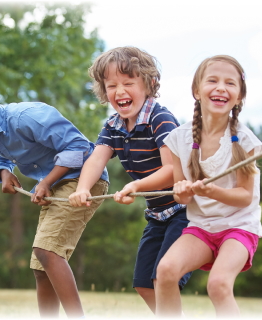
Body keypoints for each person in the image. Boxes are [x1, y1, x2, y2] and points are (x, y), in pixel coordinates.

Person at [0, 81, 109, 318]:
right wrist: (4, 173)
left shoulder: (26, 117)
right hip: (56, 186)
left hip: (81, 180)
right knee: (41, 267)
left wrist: (46, 181)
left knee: (47, 252)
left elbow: (78, 146)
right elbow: (0, 156)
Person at [68, 46, 191, 314]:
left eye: (128, 83)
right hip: (157, 214)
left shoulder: (160, 119)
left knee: (162, 277)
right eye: (111, 85)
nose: (120, 91)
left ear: (148, 84)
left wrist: (136, 185)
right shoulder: (113, 126)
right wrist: (82, 188)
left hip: (184, 211)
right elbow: (96, 159)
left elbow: (171, 169)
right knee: (144, 284)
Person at [155, 55, 262, 317]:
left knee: (218, 285)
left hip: (238, 227)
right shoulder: (178, 139)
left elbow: (245, 197)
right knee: (165, 271)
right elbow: (183, 196)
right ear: (196, 91)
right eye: (212, 80)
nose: (221, 87)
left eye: (230, 83)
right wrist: (182, 192)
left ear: (238, 97)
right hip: (202, 227)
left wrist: (211, 191)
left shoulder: (246, 141)